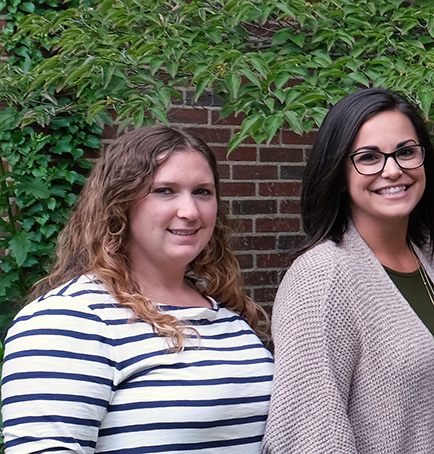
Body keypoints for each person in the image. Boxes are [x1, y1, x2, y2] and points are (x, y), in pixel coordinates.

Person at [1, 126, 272, 453]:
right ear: (120, 202)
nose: (189, 211)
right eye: (164, 191)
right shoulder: (68, 320)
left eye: (202, 191)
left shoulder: (227, 316)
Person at [263, 88, 434, 453]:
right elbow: (308, 434)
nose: (392, 170)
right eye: (368, 157)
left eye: (406, 152)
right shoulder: (321, 276)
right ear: (338, 174)